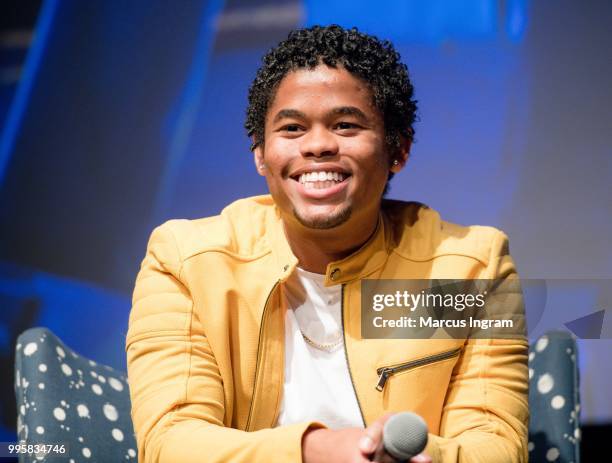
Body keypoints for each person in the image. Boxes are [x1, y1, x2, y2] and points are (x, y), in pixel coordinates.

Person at [126, 25, 528, 463]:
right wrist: (315, 451)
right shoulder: (185, 261)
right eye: (293, 128)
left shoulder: (469, 271)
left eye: (346, 125)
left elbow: (497, 447)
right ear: (261, 153)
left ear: (398, 149)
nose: (318, 145)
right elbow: (171, 443)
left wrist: (395, 453)